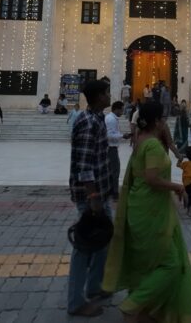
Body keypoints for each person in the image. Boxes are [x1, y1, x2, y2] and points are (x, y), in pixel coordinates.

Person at [101, 103, 191, 323]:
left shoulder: (140, 140)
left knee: (148, 261)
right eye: (163, 119)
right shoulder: (154, 146)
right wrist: (178, 187)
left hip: (140, 206)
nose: (166, 123)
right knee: (171, 264)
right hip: (150, 210)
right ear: (157, 121)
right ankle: (133, 304)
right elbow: (152, 179)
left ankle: (148, 310)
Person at [67, 79, 114, 317]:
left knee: (102, 241)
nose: (109, 96)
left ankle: (95, 286)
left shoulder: (97, 119)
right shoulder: (87, 122)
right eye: (106, 93)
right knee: (84, 246)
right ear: (97, 97)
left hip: (100, 193)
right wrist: (93, 197)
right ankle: (76, 301)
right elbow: (85, 165)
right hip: (92, 196)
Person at [105, 101, 126, 200]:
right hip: (111, 148)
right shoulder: (111, 120)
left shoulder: (112, 118)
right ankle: (114, 192)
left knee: (111, 170)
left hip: (111, 147)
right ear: (116, 109)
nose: (122, 112)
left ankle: (110, 190)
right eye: (122, 110)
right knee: (115, 170)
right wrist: (122, 136)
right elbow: (109, 135)